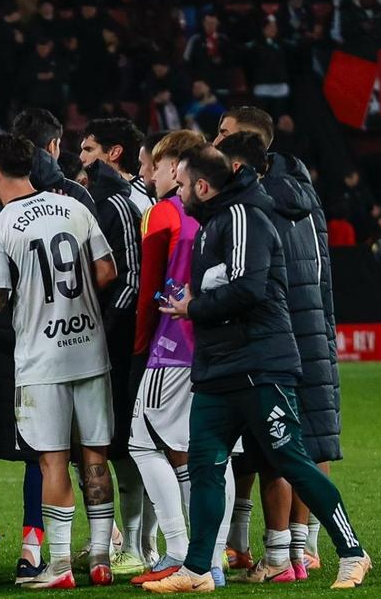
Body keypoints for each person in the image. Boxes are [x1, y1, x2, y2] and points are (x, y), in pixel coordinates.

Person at [142, 149, 371, 592]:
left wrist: (195, 306)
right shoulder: (212, 225)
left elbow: (248, 288)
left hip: (259, 368)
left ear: (203, 187)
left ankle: (352, 552)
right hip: (217, 370)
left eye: (183, 184)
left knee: (291, 460)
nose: (178, 192)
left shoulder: (244, 216)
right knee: (205, 468)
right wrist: (197, 299)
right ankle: (197, 570)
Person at [0, 134, 119, 589]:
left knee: (52, 461)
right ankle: (101, 558)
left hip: (42, 359)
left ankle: (61, 564)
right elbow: (107, 271)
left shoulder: (2, 225)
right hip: (90, 350)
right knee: (95, 456)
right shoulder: (74, 207)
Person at [216, 131, 343, 584]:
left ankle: (283, 554)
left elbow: (252, 284)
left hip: (269, 342)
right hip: (309, 337)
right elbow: (321, 275)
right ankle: (300, 550)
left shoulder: (252, 208)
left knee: (274, 451)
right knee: (305, 445)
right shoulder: (306, 199)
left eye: (223, 133)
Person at [126, 130, 210, 587]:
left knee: (142, 443)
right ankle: (211, 559)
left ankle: (177, 550)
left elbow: (149, 290)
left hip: (173, 345)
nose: (148, 174)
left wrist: (141, 347)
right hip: (216, 346)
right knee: (204, 454)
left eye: (153, 165)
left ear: (176, 166)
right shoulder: (220, 209)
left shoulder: (163, 212)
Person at [81, 152, 146, 577]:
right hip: (92, 344)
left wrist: (102, 330)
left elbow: (131, 279)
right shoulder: (87, 204)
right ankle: (116, 542)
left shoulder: (118, 205)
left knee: (135, 447)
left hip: (121, 347)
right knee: (106, 445)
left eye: (89, 149)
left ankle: (143, 545)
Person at [79, 118, 153, 215]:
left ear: (114, 152)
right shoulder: (84, 192)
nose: (81, 158)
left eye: (89, 150)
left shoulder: (146, 198)